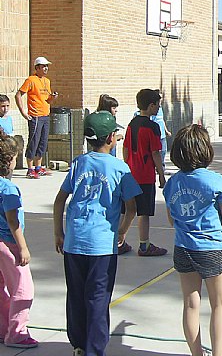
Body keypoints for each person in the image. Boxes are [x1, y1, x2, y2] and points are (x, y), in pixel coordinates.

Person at [53, 111, 140, 356]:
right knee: (98, 298)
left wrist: (58, 232)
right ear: (111, 137)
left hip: (74, 241)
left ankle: (79, 344)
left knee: (77, 296)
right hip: (101, 245)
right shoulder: (119, 168)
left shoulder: (79, 163)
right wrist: (122, 231)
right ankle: (94, 349)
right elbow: (131, 207)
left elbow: (60, 200)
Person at [163, 125, 222, 356]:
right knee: (219, 305)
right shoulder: (214, 180)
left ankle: (196, 353)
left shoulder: (172, 183)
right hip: (211, 247)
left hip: (183, 247)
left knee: (191, 304)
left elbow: (172, 220)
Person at [0, 132, 37, 349]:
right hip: (9, 244)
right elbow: (13, 220)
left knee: (1, 286)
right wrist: (22, 248)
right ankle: (16, 333)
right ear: (10, 161)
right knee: (23, 289)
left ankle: (3, 327)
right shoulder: (8, 189)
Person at [121, 89, 167, 256]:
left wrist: (126, 165)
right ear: (151, 105)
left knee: (125, 209)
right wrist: (161, 174)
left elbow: (125, 148)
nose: (158, 108)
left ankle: (118, 241)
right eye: (158, 105)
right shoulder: (153, 127)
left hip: (130, 173)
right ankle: (144, 245)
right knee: (144, 212)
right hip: (145, 175)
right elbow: (155, 152)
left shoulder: (131, 124)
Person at [15, 56, 58, 179]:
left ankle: (38, 167)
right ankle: (30, 169)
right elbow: (18, 94)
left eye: (47, 66)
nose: (46, 68)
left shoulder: (47, 81)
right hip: (35, 115)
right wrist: (23, 112)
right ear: (37, 67)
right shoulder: (31, 80)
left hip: (45, 115)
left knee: (43, 142)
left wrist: (52, 97)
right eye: (43, 66)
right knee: (34, 141)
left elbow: (47, 100)